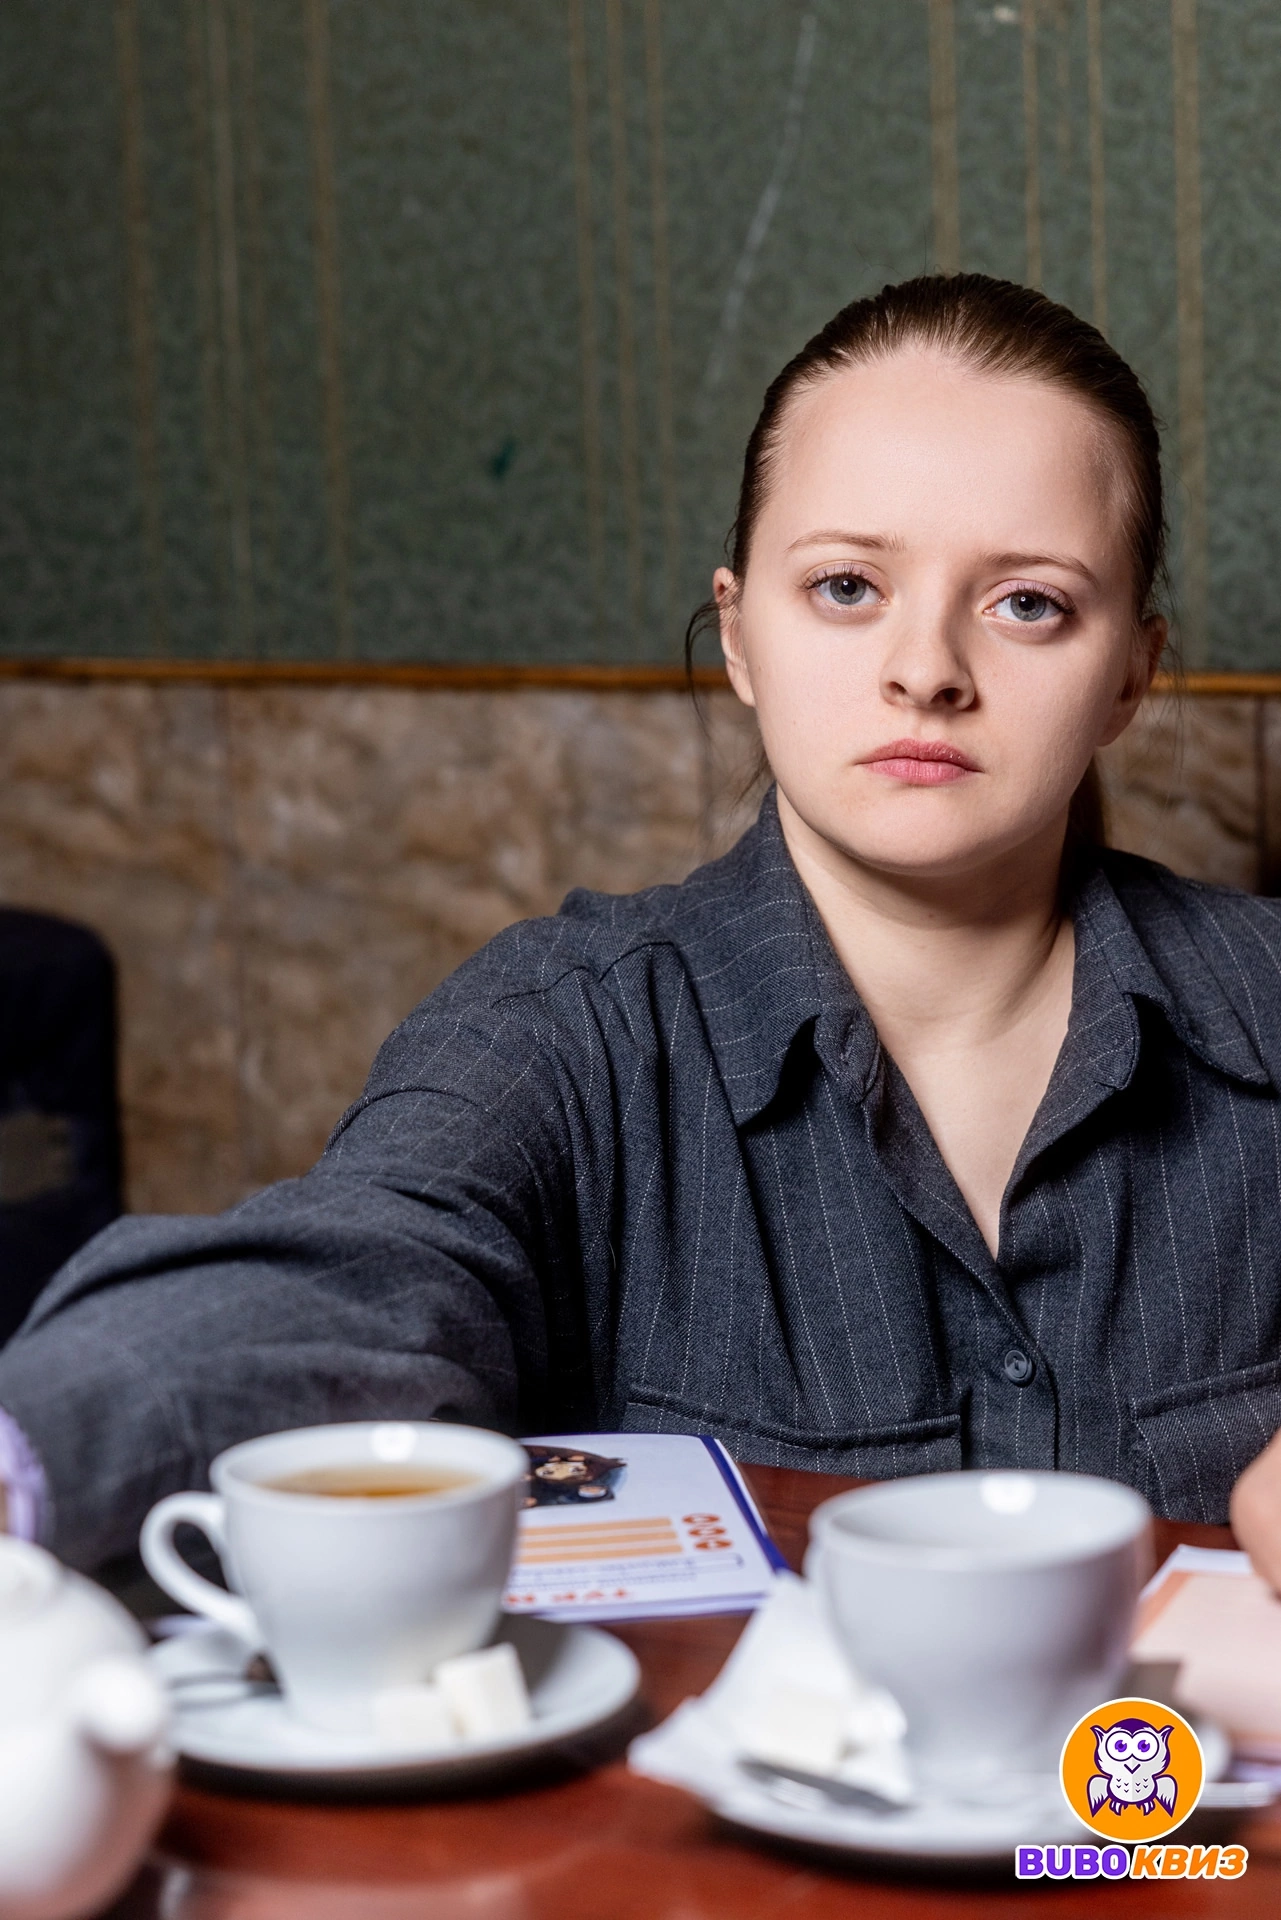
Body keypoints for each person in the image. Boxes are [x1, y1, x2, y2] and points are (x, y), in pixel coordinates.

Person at [4, 274, 1281, 1587]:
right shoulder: (564, 1034)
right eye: (847, 587)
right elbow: (340, 1283)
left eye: (1028, 604)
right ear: (739, 636)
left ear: (1132, 669)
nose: (926, 669)